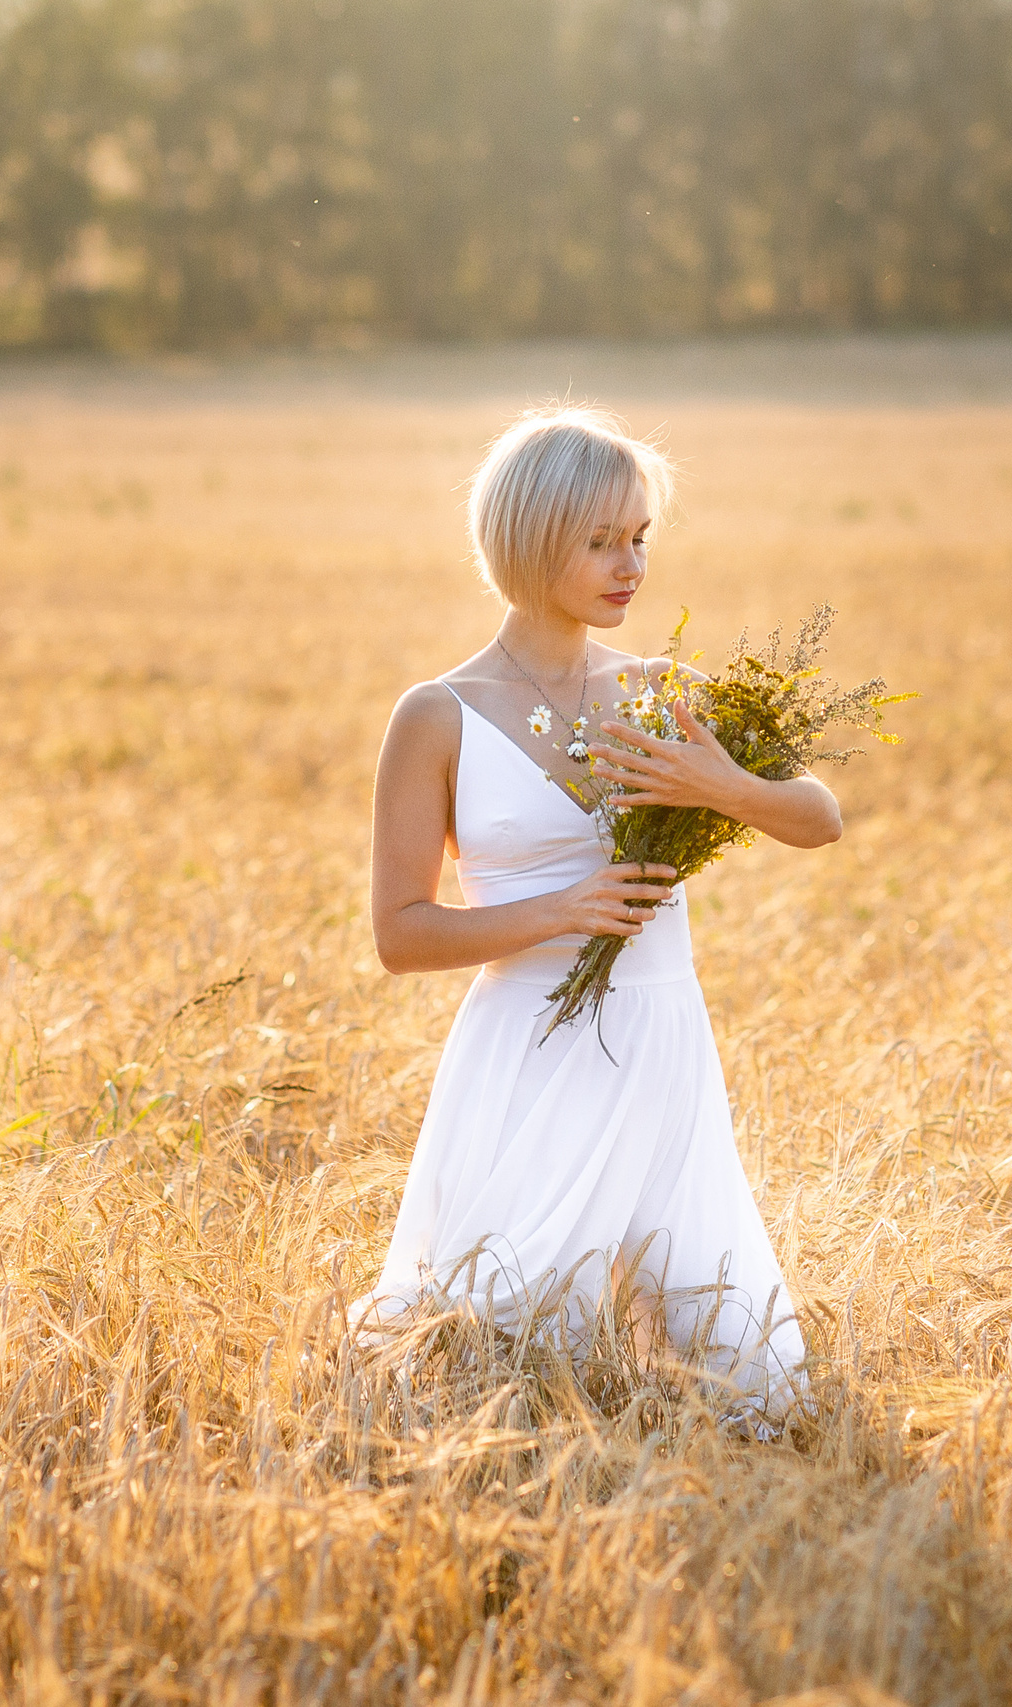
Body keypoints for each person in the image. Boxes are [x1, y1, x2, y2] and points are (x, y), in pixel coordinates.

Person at [353, 404, 840, 1422]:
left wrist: (722, 784)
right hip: (529, 1047)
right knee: (503, 1359)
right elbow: (401, 933)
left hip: (661, 1036)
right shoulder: (436, 715)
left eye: (640, 539)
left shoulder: (665, 693)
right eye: (602, 540)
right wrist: (562, 908)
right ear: (533, 539)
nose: (632, 565)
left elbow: (818, 818)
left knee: (737, 1375)